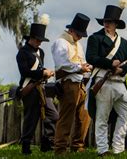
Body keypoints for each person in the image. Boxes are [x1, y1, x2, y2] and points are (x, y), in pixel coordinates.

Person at [86, 0, 127, 156]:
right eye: (106, 20)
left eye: (111, 21)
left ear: (116, 24)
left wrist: (121, 69)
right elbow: (91, 58)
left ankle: (118, 147)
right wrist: (110, 63)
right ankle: (102, 149)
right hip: (102, 81)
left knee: (126, 113)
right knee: (102, 117)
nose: (107, 23)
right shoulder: (95, 38)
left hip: (119, 81)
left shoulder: (124, 42)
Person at [16, 14, 58, 155]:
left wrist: (45, 73)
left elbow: (39, 70)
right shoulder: (22, 53)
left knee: (53, 115)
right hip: (29, 88)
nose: (40, 43)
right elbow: (25, 72)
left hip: (41, 87)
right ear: (32, 38)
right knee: (31, 118)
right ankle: (26, 147)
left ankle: (47, 141)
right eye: (38, 40)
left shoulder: (41, 52)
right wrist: (42, 73)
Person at [51, 13, 92, 154]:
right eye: (79, 33)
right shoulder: (61, 43)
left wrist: (86, 69)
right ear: (72, 30)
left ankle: (78, 146)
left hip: (80, 83)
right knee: (66, 118)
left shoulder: (78, 45)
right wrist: (80, 68)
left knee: (84, 116)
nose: (80, 37)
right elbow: (63, 64)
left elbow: (81, 62)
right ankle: (60, 148)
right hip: (68, 83)